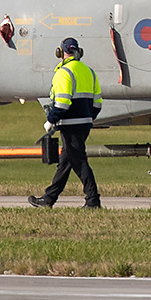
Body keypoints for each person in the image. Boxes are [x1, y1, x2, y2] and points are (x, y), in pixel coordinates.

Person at [28, 37, 101, 208]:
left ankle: (93, 200)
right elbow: (97, 103)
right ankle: (49, 198)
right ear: (79, 52)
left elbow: (62, 103)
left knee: (79, 162)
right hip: (84, 124)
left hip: (70, 125)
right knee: (65, 162)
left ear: (60, 52)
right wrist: (88, 117)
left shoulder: (64, 73)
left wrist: (51, 120)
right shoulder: (88, 71)